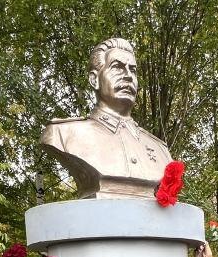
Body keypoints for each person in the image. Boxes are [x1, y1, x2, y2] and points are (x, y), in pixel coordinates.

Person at [40, 37, 172, 200]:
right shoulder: (63, 134)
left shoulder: (160, 149)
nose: (128, 76)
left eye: (133, 70)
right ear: (94, 79)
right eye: (117, 67)